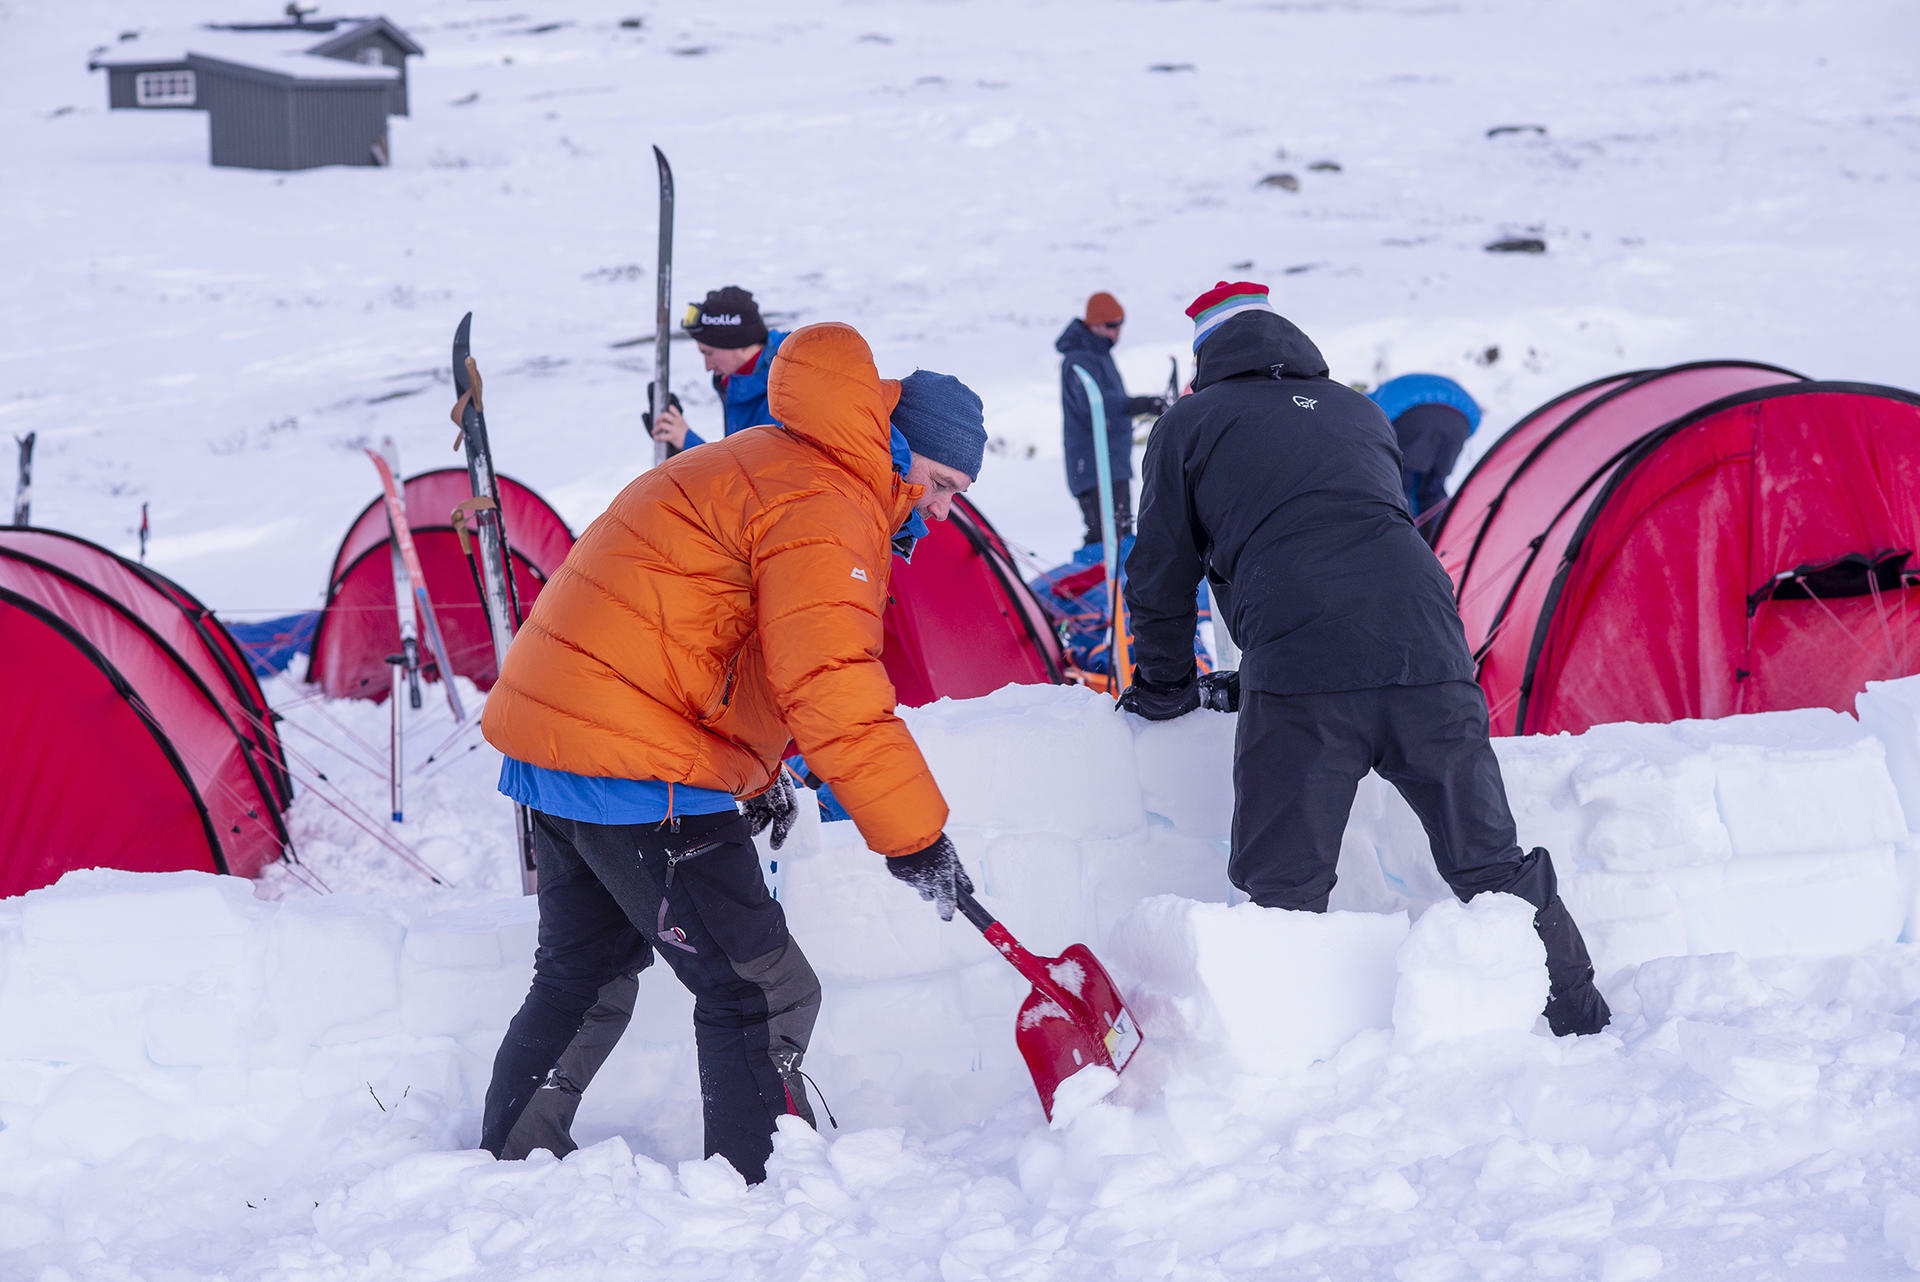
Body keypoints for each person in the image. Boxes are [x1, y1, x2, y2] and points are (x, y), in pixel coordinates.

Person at [477, 324, 988, 1182]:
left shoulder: (768, 458)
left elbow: (727, 639)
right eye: (939, 484)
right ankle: (762, 1190)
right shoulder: (828, 500)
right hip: (637, 764)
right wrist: (915, 838)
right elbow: (829, 681)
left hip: (562, 743)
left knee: (584, 974)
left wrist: (758, 769)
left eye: (956, 496)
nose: (940, 512)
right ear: (898, 445)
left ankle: (506, 1162)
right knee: (762, 988)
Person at [1117, 282, 1610, 1038]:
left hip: (1305, 671)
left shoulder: (1191, 421)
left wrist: (1164, 688)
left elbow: (1161, 570)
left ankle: (1278, 1053)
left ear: (1205, 357)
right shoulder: (1359, 411)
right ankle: (1581, 1019)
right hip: (1430, 652)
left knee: (1282, 888)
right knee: (1489, 862)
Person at [1056, 292, 1168, 546]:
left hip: (1112, 462)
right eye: (1111, 325)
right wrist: (1142, 404)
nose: (1118, 331)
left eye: (1120, 324)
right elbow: (1096, 404)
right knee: (1105, 538)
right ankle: (1094, 573)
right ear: (1093, 325)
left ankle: (1115, 572)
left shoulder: (1099, 355)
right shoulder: (1077, 359)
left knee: (1120, 534)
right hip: (1093, 465)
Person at [645, 285, 790, 454]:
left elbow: (755, 469)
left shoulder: (786, 392)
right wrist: (680, 451)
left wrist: (687, 444)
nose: (708, 366)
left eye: (709, 353)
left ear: (739, 343)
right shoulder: (745, 381)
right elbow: (739, 459)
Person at [1368, 373, 1482, 534]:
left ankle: (1403, 538)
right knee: (1433, 487)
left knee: (1400, 484)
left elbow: (1370, 425)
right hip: (1462, 422)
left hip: (1416, 415)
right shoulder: (1397, 387)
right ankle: (1440, 537)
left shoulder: (1369, 401)